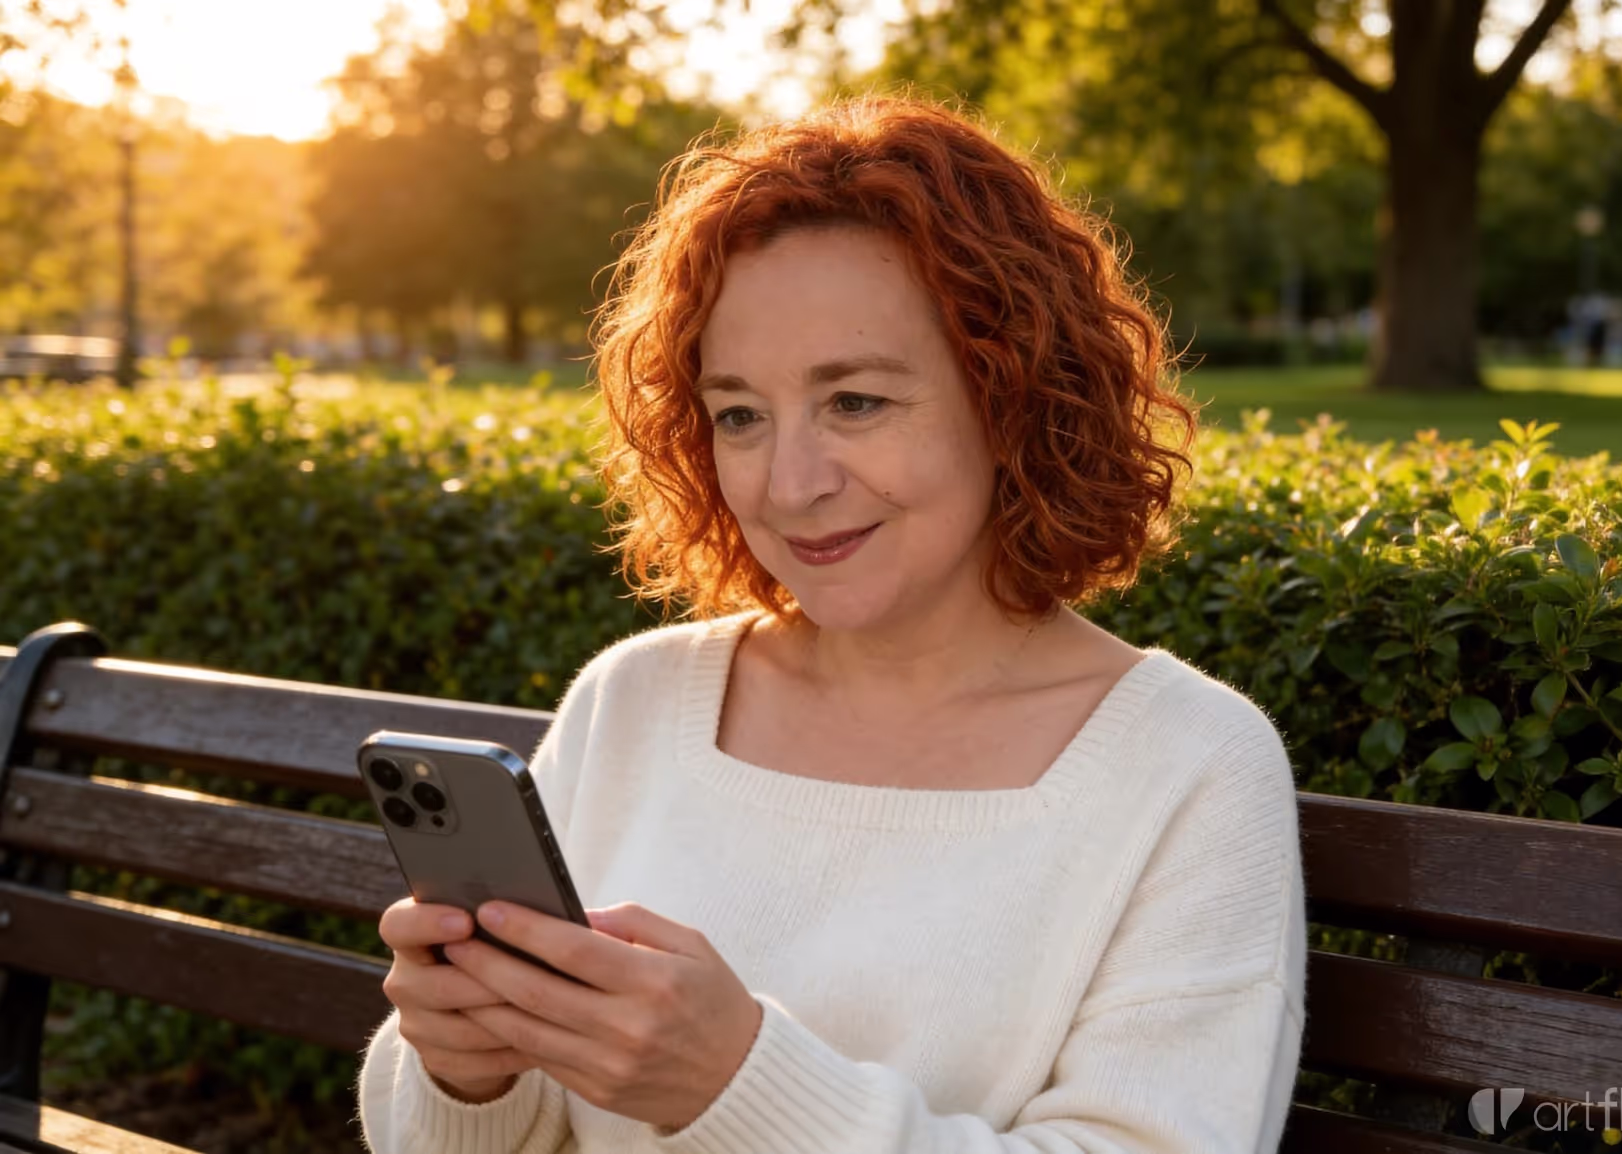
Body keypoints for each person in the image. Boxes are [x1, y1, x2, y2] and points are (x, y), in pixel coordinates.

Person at [356, 92, 1307, 1154]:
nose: (790, 484)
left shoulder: (1187, 763)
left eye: (855, 401)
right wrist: (466, 1071)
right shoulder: (636, 698)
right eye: (739, 416)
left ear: (1016, 398)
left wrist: (734, 1086)